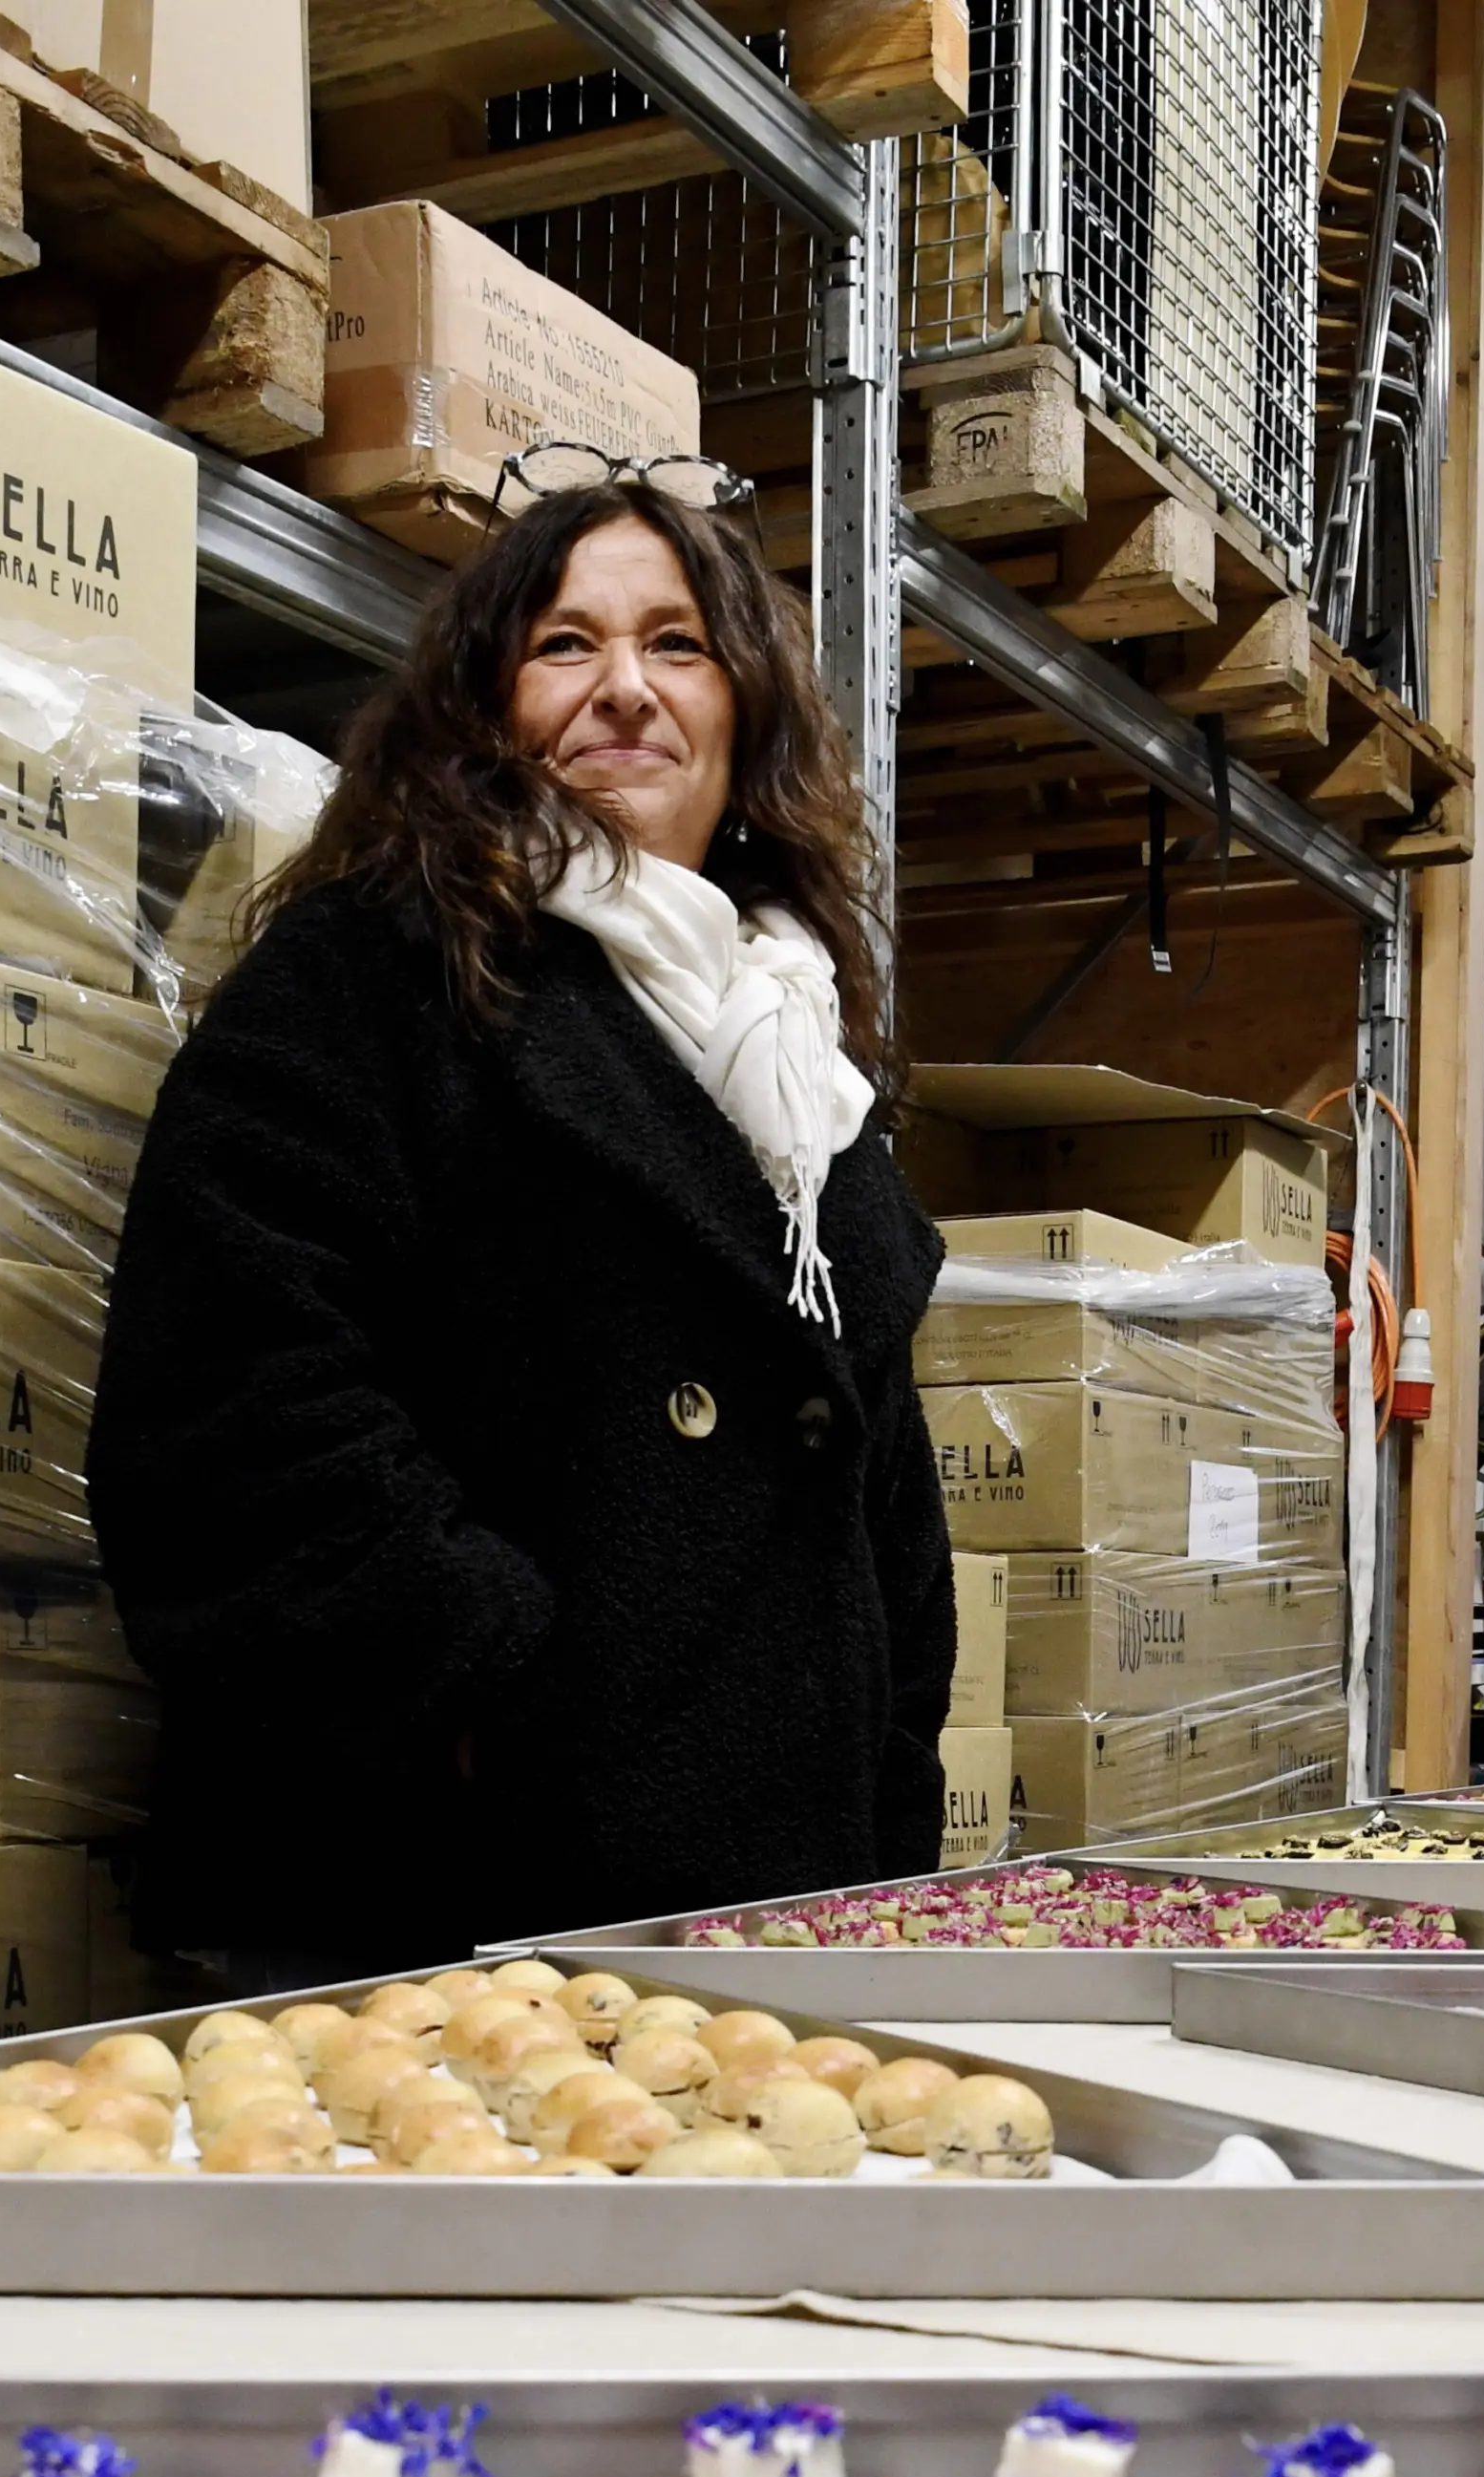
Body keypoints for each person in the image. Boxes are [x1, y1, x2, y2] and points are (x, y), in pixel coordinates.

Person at [86, 474, 954, 1974]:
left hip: (780, 1892)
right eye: (567, 645)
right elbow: (232, 1402)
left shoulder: (795, 1055)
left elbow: (874, 1481)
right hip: (440, 1892)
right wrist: (505, 1693)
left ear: (744, 717)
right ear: (483, 708)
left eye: (678, 646)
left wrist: (888, 1774)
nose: (626, 689)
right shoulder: (369, 976)